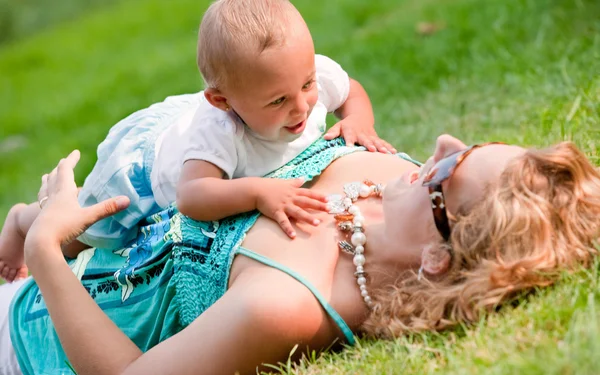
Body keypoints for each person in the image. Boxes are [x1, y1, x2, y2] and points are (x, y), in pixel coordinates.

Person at [1, 134, 599, 375]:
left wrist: (45, 251)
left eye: (450, 170)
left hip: (25, 340)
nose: (439, 144)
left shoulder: (288, 305)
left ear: (437, 259)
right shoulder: (393, 182)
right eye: (466, 145)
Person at [0, 0, 395, 282]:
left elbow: (349, 92)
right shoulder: (221, 130)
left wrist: (359, 121)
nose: (302, 107)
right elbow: (193, 196)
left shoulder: (304, 78)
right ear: (223, 101)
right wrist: (258, 192)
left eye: (306, 84)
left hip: (198, 129)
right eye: (278, 101)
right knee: (91, 231)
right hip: (147, 177)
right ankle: (24, 220)